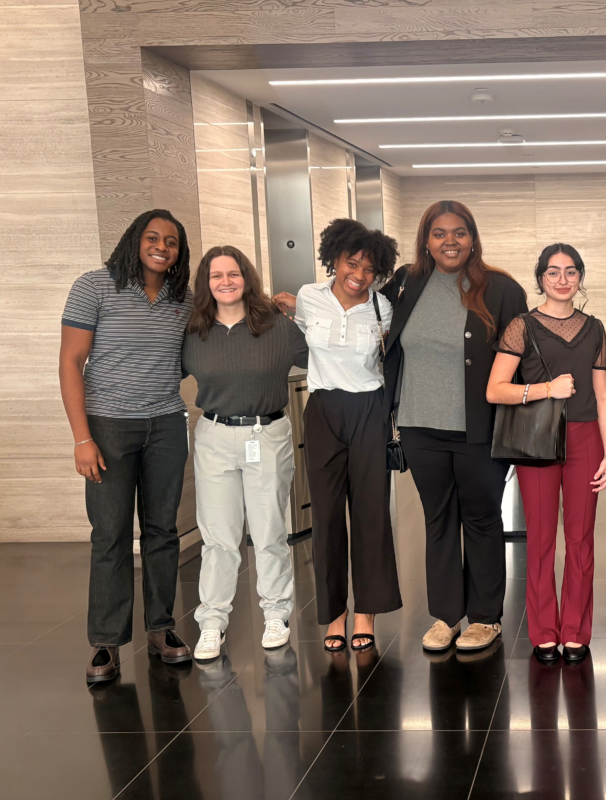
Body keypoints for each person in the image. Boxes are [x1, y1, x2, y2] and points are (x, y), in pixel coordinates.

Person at [379, 200, 527, 653]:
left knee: (482, 520)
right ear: (426, 240)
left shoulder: (500, 289)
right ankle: (446, 615)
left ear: (473, 237)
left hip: (479, 429)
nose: (450, 241)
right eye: (439, 233)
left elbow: (522, 361)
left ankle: (484, 617)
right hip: (420, 427)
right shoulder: (406, 283)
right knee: (438, 519)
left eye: (459, 232)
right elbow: (357, 299)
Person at [60, 208, 194, 684]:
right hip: (109, 427)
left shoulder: (183, 297)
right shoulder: (94, 286)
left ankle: (161, 628)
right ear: (135, 240)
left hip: (165, 426)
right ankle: (107, 642)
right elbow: (71, 363)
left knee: (162, 530)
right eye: (153, 238)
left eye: (172, 241)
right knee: (111, 533)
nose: (162, 246)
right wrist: (82, 438)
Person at [273, 219, 404, 652]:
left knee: (370, 513)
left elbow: (390, 360)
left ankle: (366, 610)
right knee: (326, 515)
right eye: (352, 263)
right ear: (334, 260)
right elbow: (287, 312)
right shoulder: (309, 297)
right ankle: (335, 614)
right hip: (324, 408)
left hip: (369, 409)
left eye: (370, 269)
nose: (360, 275)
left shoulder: (383, 308)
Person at [487, 243, 606, 664]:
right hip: (536, 439)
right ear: (540, 277)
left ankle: (576, 631)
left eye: (571, 272)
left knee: (580, 539)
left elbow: (601, 394)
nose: (563, 279)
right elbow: (495, 390)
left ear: (580, 278)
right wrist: (546, 389)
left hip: (585, 439)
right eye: (553, 272)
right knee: (540, 539)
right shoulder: (521, 326)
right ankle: (544, 631)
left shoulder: (595, 328)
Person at [183, 245, 308, 661]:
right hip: (214, 436)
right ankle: (212, 622)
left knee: (270, 531)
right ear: (206, 283)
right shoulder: (194, 331)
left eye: (233, 273)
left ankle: (277, 613)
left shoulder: (277, 325)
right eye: (216, 275)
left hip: (267, 433)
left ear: (246, 277)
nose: (225, 281)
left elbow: (320, 356)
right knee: (219, 538)